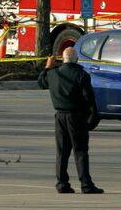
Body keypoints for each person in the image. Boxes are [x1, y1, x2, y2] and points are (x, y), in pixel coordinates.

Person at [38, 47, 104, 194]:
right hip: (77, 116)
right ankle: (86, 184)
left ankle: (62, 183)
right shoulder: (81, 75)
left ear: (63, 59)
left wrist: (48, 66)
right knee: (80, 151)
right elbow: (89, 99)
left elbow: (41, 82)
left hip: (60, 116)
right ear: (76, 59)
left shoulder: (54, 73)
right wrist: (92, 118)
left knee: (62, 152)